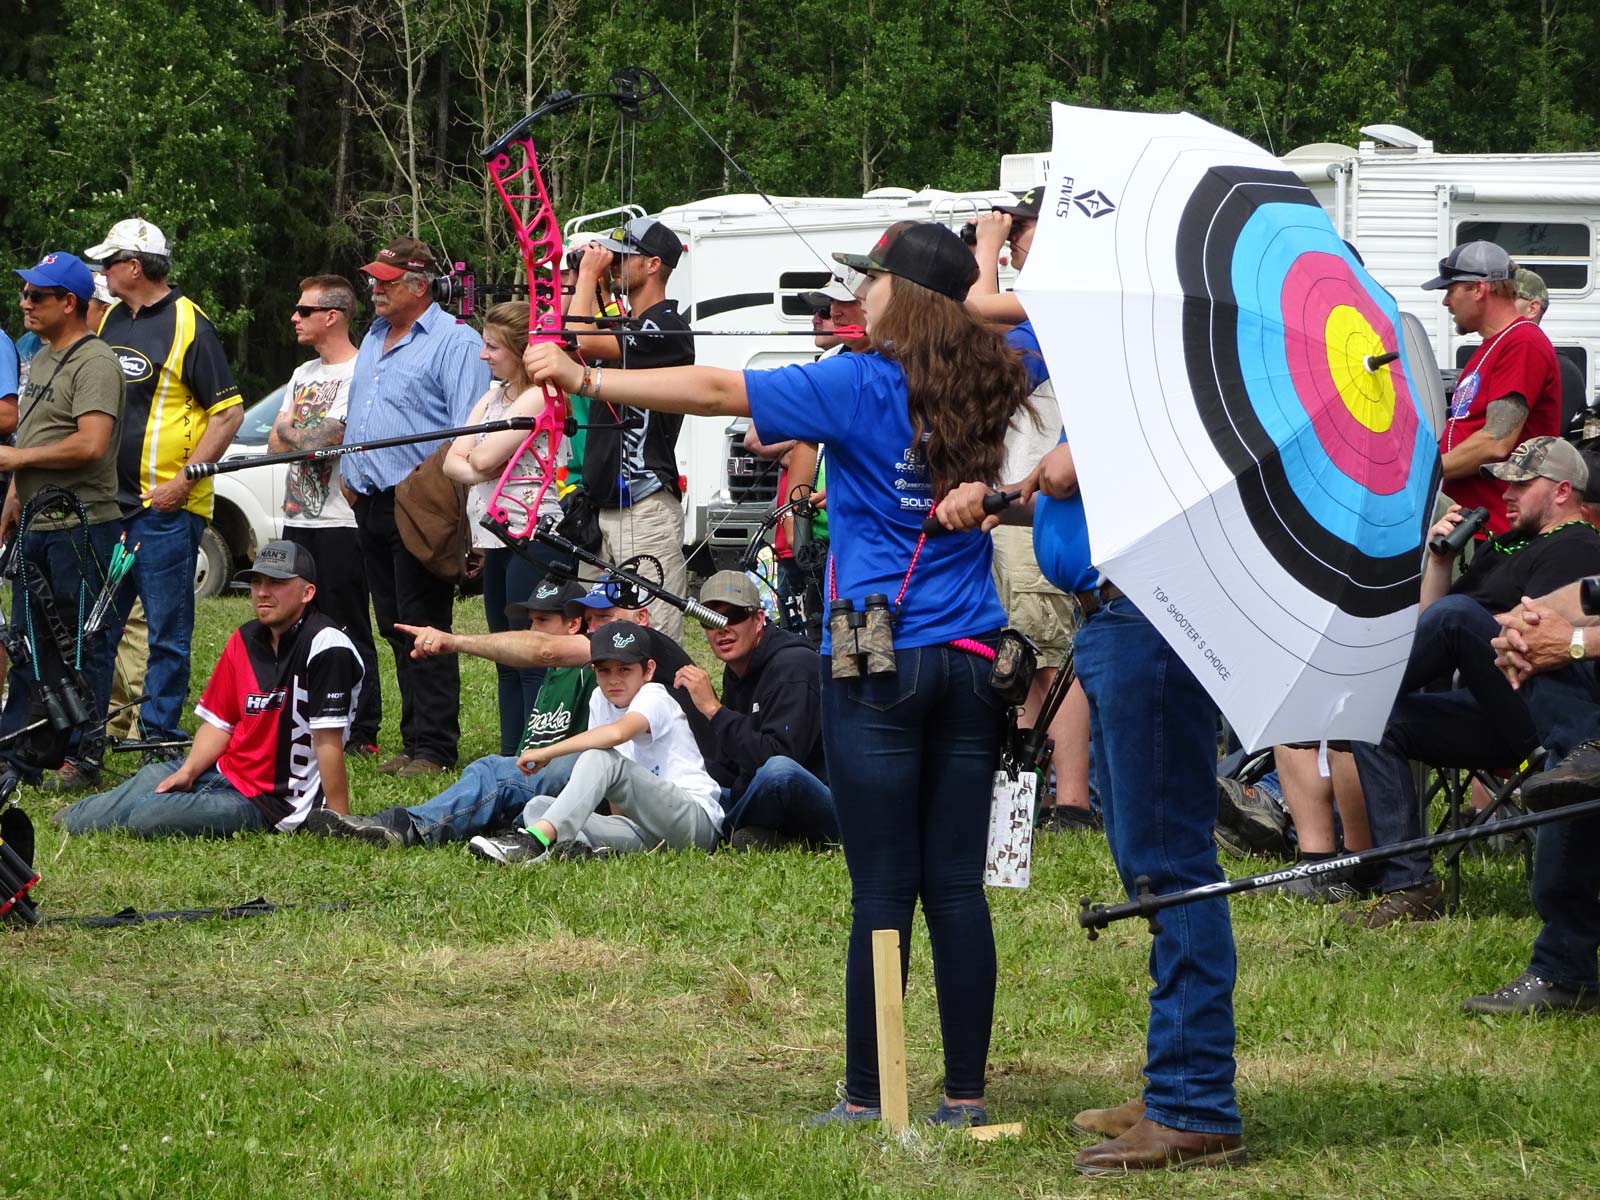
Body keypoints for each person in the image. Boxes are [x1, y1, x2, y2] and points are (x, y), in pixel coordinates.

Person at [526, 220, 1028, 1129]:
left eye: (874, 280)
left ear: (906, 298)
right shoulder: (999, 372)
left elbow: (717, 388)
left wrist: (586, 377)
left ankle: (869, 1098)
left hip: (878, 662)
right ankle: (963, 1097)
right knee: (954, 885)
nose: (861, 294)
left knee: (883, 887)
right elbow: (1035, 319)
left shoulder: (862, 380)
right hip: (973, 660)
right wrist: (985, 272)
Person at [937, 429, 1246, 1171]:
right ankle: (1173, 1082)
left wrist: (1055, 469)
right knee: (1153, 868)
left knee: (1173, 870)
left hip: (1147, 618)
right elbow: (1076, 497)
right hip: (1119, 618)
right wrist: (1010, 503)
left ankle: (1194, 1105)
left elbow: (1097, 469)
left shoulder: (1136, 398)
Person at [1349, 436, 1600, 927]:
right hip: (1486, 705)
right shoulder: (1503, 548)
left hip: (1547, 716)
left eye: (1521, 485)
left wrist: (1463, 622)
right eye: (1505, 484)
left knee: (1458, 617)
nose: (1506, 494)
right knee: (1375, 721)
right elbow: (1429, 624)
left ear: (1562, 491)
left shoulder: (1577, 544)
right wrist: (1440, 561)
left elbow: (1532, 634)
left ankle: (1347, 692)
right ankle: (1410, 884)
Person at [55, 542, 362, 838]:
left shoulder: (327, 646)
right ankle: (74, 817)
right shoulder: (245, 638)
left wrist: (339, 819)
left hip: (273, 803)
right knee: (148, 778)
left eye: (276, 583)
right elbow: (219, 723)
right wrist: (188, 772)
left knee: (148, 815)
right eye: (256, 582)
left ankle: (137, 810)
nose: (262, 592)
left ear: (307, 592)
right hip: (227, 772)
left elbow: (327, 740)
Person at [87, 217, 245, 751]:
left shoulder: (189, 322)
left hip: (166, 508)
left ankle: (157, 737)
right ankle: (93, 735)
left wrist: (184, 480)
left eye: (109, 262)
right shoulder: (112, 318)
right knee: (100, 627)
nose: (103, 272)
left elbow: (229, 413)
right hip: (110, 506)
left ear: (134, 267)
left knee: (166, 632)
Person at [341, 237, 490, 777]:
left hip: (422, 502)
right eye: (373, 281)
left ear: (420, 285)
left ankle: (435, 747)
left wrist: (446, 506)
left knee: (425, 623)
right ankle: (412, 740)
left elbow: (467, 428)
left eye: (386, 282)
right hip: (371, 501)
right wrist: (350, 473)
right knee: (394, 625)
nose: (375, 290)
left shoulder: (456, 341)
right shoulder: (374, 335)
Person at [302, 579, 595, 848]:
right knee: (497, 778)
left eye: (543, 620)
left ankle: (407, 826)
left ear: (575, 624)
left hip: (579, 783)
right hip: (551, 782)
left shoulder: (592, 667)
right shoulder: (553, 675)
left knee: (492, 772)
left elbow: (543, 649)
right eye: (531, 621)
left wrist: (453, 642)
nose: (532, 631)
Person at [970, 205, 1095, 830]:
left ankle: (1071, 800)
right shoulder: (1043, 314)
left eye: (1021, 236)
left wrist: (986, 247)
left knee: (1047, 656)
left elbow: (979, 337)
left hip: (1037, 509)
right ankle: (1039, 790)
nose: (1015, 249)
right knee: (1020, 655)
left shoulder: (1057, 315)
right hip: (1015, 508)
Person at [0, 253, 125, 791]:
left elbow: (92, 443)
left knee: (81, 645)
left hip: (81, 527)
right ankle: (24, 751)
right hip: (37, 522)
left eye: (37, 295)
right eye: (25, 293)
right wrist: (13, 496)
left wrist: (17, 459)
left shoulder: (95, 362)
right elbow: (37, 432)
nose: (25, 303)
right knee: (28, 646)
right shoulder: (45, 356)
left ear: (68, 302)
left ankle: (83, 757)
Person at [466, 619, 722, 862]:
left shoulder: (655, 695)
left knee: (600, 756)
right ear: (594, 671)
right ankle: (579, 849)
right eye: (604, 670)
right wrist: (617, 825)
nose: (614, 679)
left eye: (625, 669)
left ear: (649, 670)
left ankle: (535, 842)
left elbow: (617, 734)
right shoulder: (599, 698)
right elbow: (615, 796)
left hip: (695, 824)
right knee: (538, 807)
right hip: (646, 830)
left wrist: (547, 752)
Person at [566, 217, 693, 643]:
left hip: (644, 508)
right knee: (597, 636)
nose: (614, 264)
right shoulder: (628, 324)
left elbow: (582, 340)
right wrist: (597, 287)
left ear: (653, 264)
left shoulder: (667, 327)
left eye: (623, 257)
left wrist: (588, 274)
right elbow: (579, 340)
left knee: (653, 636)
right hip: (603, 508)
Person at [445, 300, 563, 755]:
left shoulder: (539, 394)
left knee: (529, 653)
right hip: (495, 537)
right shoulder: (493, 396)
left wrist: (477, 461)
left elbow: (482, 456)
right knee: (503, 653)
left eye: (493, 347)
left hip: (532, 535)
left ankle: (535, 753)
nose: (484, 355)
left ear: (519, 349)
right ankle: (510, 753)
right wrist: (477, 463)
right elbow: (453, 460)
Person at [270, 273, 382, 755]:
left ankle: (362, 729)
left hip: (341, 522)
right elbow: (276, 443)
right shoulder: (302, 374)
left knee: (348, 625)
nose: (294, 317)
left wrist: (297, 432)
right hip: (297, 518)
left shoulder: (361, 371)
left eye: (304, 310)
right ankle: (306, 718)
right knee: (294, 623)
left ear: (332, 316)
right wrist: (303, 435)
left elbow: (329, 440)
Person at [675, 571, 833, 850]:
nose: (722, 629)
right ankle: (765, 836)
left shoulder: (794, 665)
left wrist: (714, 710)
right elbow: (731, 766)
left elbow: (781, 758)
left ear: (759, 620)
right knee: (680, 777)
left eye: (733, 616)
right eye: (710, 620)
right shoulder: (737, 668)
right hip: (754, 791)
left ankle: (722, 830)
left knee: (778, 772)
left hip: (822, 798)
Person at [1426, 241, 1561, 536]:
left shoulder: (1523, 342)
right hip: (1468, 526)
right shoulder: (1492, 346)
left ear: (1478, 288)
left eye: (1450, 290)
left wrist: (1424, 474)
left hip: (1497, 531)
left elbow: (1495, 442)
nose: (1446, 302)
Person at [1512, 267, 1587, 438]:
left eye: (1509, 298)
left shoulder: (1562, 371)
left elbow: (1545, 443)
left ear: (1532, 309)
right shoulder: (1495, 360)